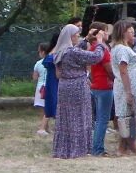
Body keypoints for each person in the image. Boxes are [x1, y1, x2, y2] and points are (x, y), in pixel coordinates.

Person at [51, 24, 99, 159]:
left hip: (64, 86)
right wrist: (100, 43)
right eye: (76, 34)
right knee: (79, 116)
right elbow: (95, 57)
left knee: (66, 117)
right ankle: (78, 149)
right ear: (70, 36)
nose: (79, 35)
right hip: (77, 86)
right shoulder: (72, 52)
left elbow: (75, 50)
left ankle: (64, 148)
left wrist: (86, 40)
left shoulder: (61, 51)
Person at [108, 19, 136, 155]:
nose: (133, 33)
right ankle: (128, 146)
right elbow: (123, 70)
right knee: (126, 117)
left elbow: (132, 67)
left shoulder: (123, 48)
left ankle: (125, 147)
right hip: (125, 87)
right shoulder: (122, 50)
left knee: (130, 116)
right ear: (123, 33)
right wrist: (128, 91)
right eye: (130, 31)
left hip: (132, 85)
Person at [86, 21, 117, 154]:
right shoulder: (102, 48)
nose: (107, 33)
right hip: (105, 85)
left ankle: (95, 146)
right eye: (105, 31)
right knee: (102, 119)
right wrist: (115, 78)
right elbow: (108, 68)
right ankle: (98, 148)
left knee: (98, 118)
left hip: (96, 84)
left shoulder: (92, 47)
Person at [30, 41, 50, 138]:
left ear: (42, 52)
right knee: (48, 108)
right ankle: (44, 127)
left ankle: (44, 127)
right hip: (49, 86)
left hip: (40, 87)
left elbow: (35, 77)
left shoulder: (38, 63)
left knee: (43, 108)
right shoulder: (53, 62)